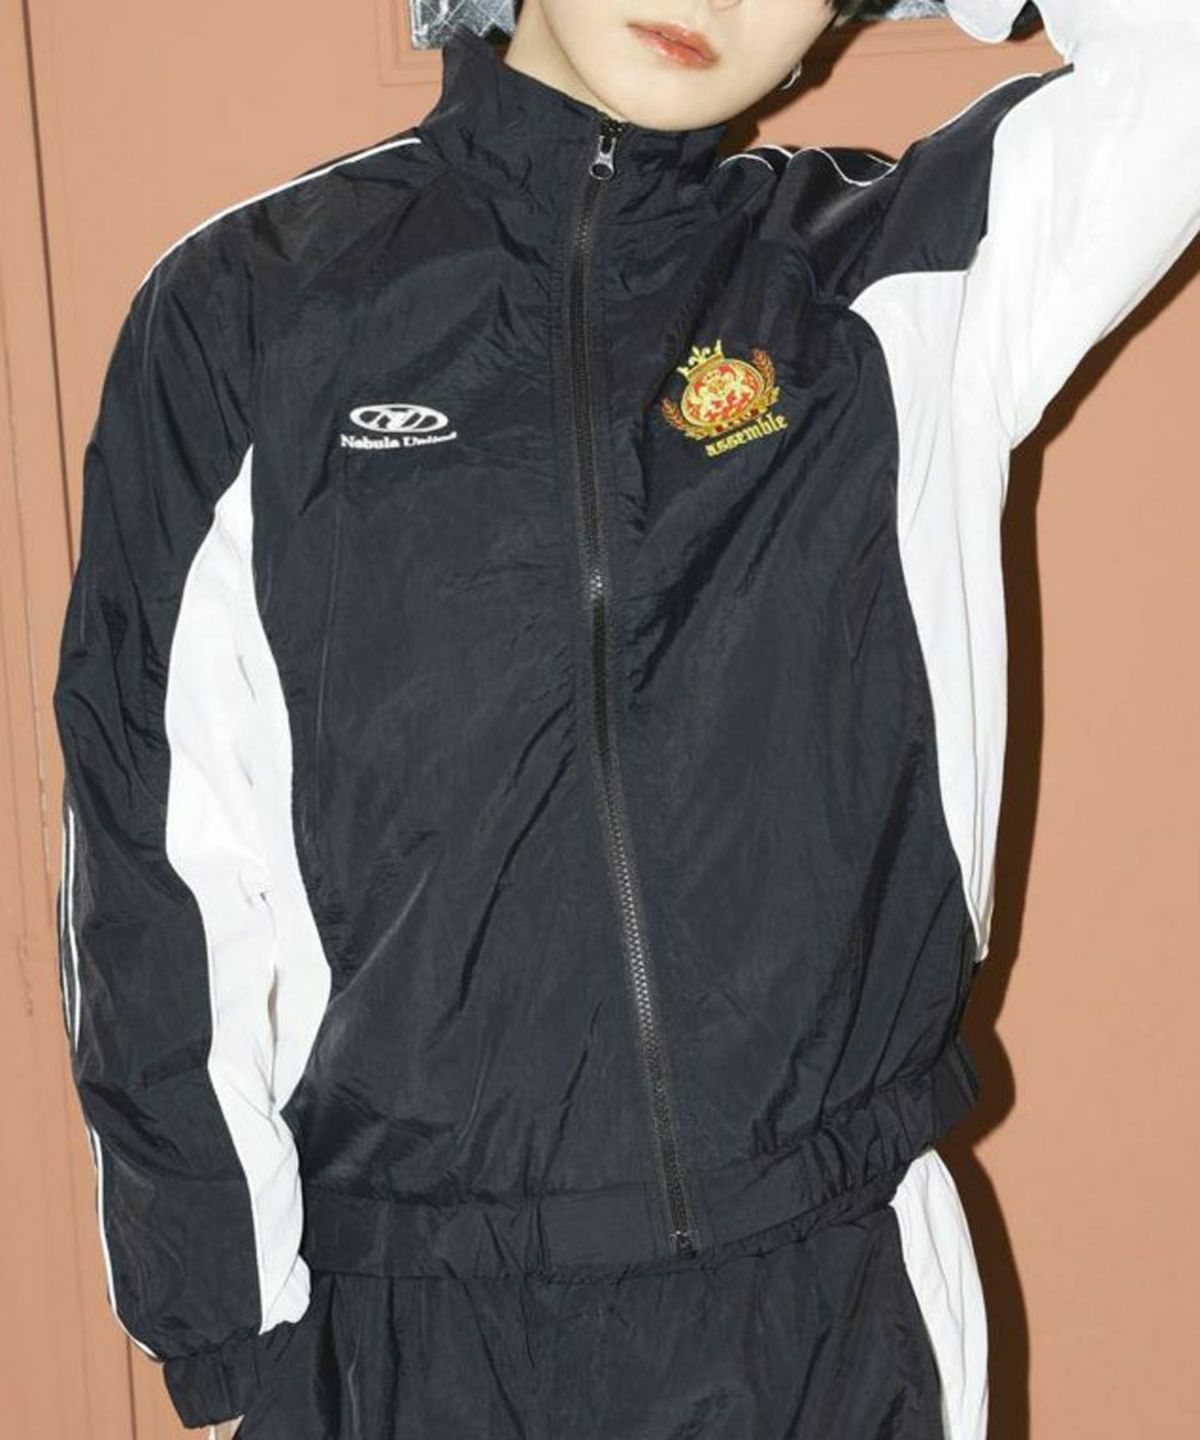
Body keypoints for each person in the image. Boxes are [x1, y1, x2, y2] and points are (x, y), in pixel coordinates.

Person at [50, 1, 1198, 1436]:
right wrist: (220, 1326)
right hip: (407, 1331)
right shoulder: (253, 311)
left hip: (830, 1312)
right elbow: (152, 843)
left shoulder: (890, 279)